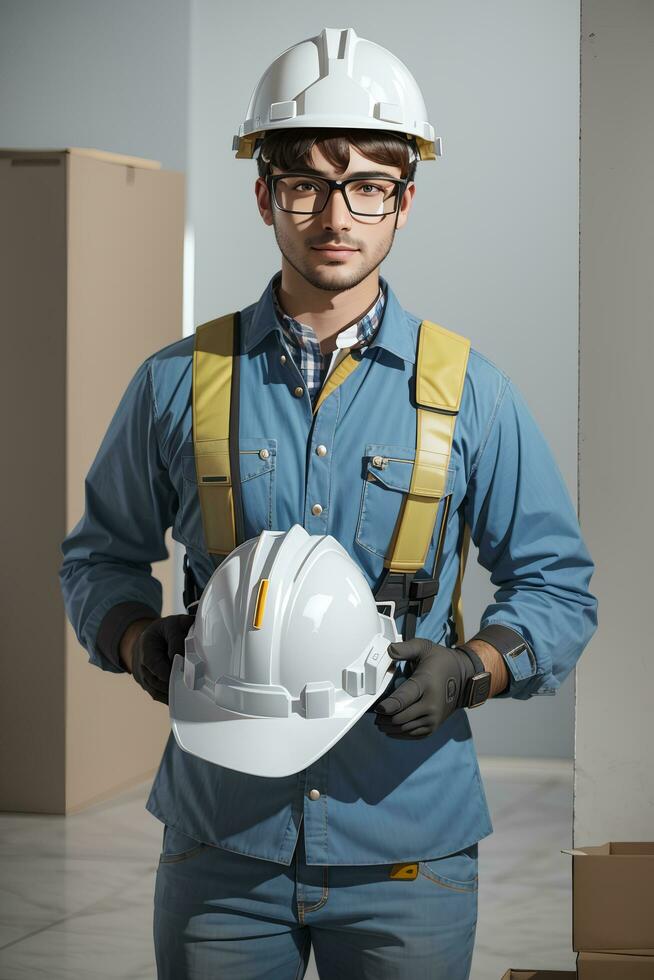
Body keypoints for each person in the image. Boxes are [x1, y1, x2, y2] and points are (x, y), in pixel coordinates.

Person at [59, 27, 598, 980]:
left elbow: (558, 587)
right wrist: (140, 639)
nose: (335, 215)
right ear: (265, 194)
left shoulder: (469, 392)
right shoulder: (179, 382)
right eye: (305, 183)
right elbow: (98, 559)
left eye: (368, 186)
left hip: (407, 851)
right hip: (220, 845)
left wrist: (474, 670)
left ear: (403, 203)